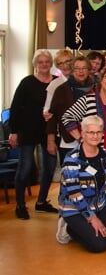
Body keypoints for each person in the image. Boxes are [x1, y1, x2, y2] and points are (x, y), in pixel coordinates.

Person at [57, 115, 106, 252]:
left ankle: (87, 227)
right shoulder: (72, 159)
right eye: (90, 132)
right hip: (74, 208)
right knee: (99, 245)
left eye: (98, 132)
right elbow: (75, 194)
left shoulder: (105, 155)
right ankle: (69, 228)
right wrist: (92, 219)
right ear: (83, 134)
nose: (95, 136)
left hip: (99, 205)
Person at [9, 49, 58, 219]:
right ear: (35, 64)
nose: (44, 64)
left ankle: (41, 202)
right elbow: (15, 108)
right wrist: (13, 132)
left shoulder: (57, 82)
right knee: (25, 169)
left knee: (50, 168)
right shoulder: (26, 82)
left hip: (48, 132)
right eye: (40, 62)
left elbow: (60, 106)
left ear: (51, 63)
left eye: (47, 61)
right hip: (27, 131)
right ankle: (20, 204)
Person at [62, 65, 106, 151]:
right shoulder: (88, 99)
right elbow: (67, 117)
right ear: (101, 80)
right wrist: (81, 138)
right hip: (93, 151)